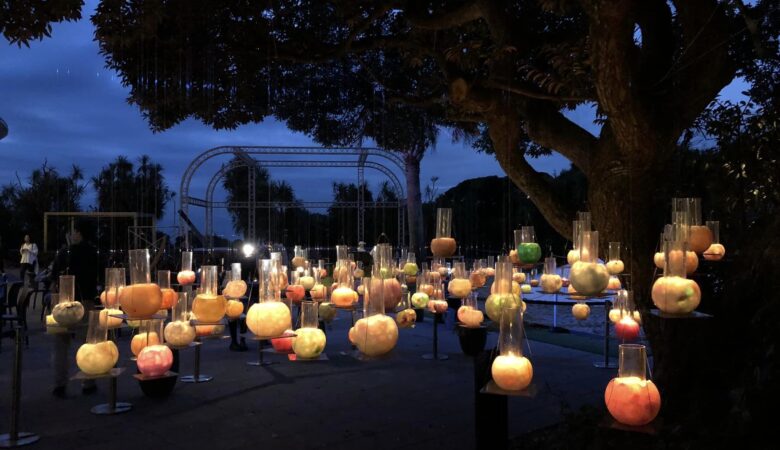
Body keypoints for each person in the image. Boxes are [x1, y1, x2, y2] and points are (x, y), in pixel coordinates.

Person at [50, 222, 99, 397]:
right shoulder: (92, 252)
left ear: (78, 233)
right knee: (87, 343)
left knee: (61, 345)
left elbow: (54, 275)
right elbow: (97, 276)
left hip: (63, 303)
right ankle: (88, 382)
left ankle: (60, 384)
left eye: (71, 232)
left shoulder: (64, 253)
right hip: (85, 301)